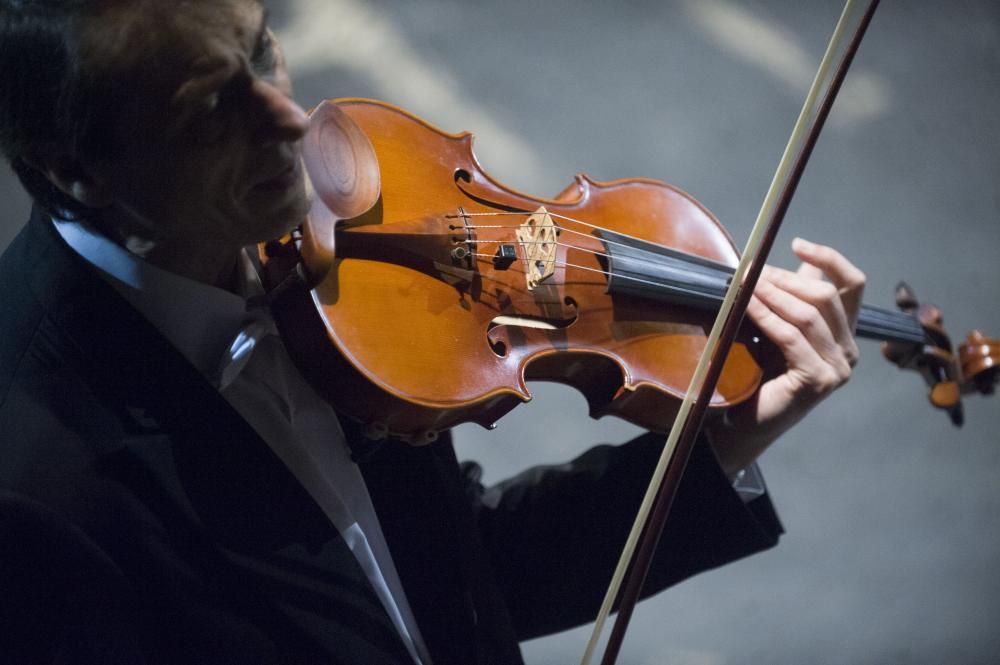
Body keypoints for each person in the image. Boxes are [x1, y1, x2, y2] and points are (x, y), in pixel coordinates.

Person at [0, 1, 864, 663]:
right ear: (69, 165)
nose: (291, 121)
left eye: (262, 46)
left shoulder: (326, 266)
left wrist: (724, 445)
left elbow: (461, 569)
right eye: (211, 110)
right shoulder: (33, 492)